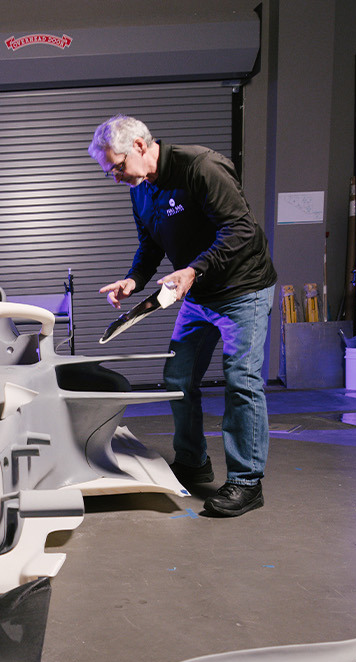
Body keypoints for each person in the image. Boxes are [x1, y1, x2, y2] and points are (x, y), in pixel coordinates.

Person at [90, 115, 277, 517]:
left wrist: (195, 268)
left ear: (140, 145)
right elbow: (150, 245)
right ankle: (193, 461)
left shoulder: (202, 167)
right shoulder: (140, 190)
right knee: (178, 379)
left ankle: (247, 481)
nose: (117, 177)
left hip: (243, 289)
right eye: (110, 173)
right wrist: (134, 280)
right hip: (196, 295)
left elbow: (241, 229)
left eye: (118, 167)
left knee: (241, 380)